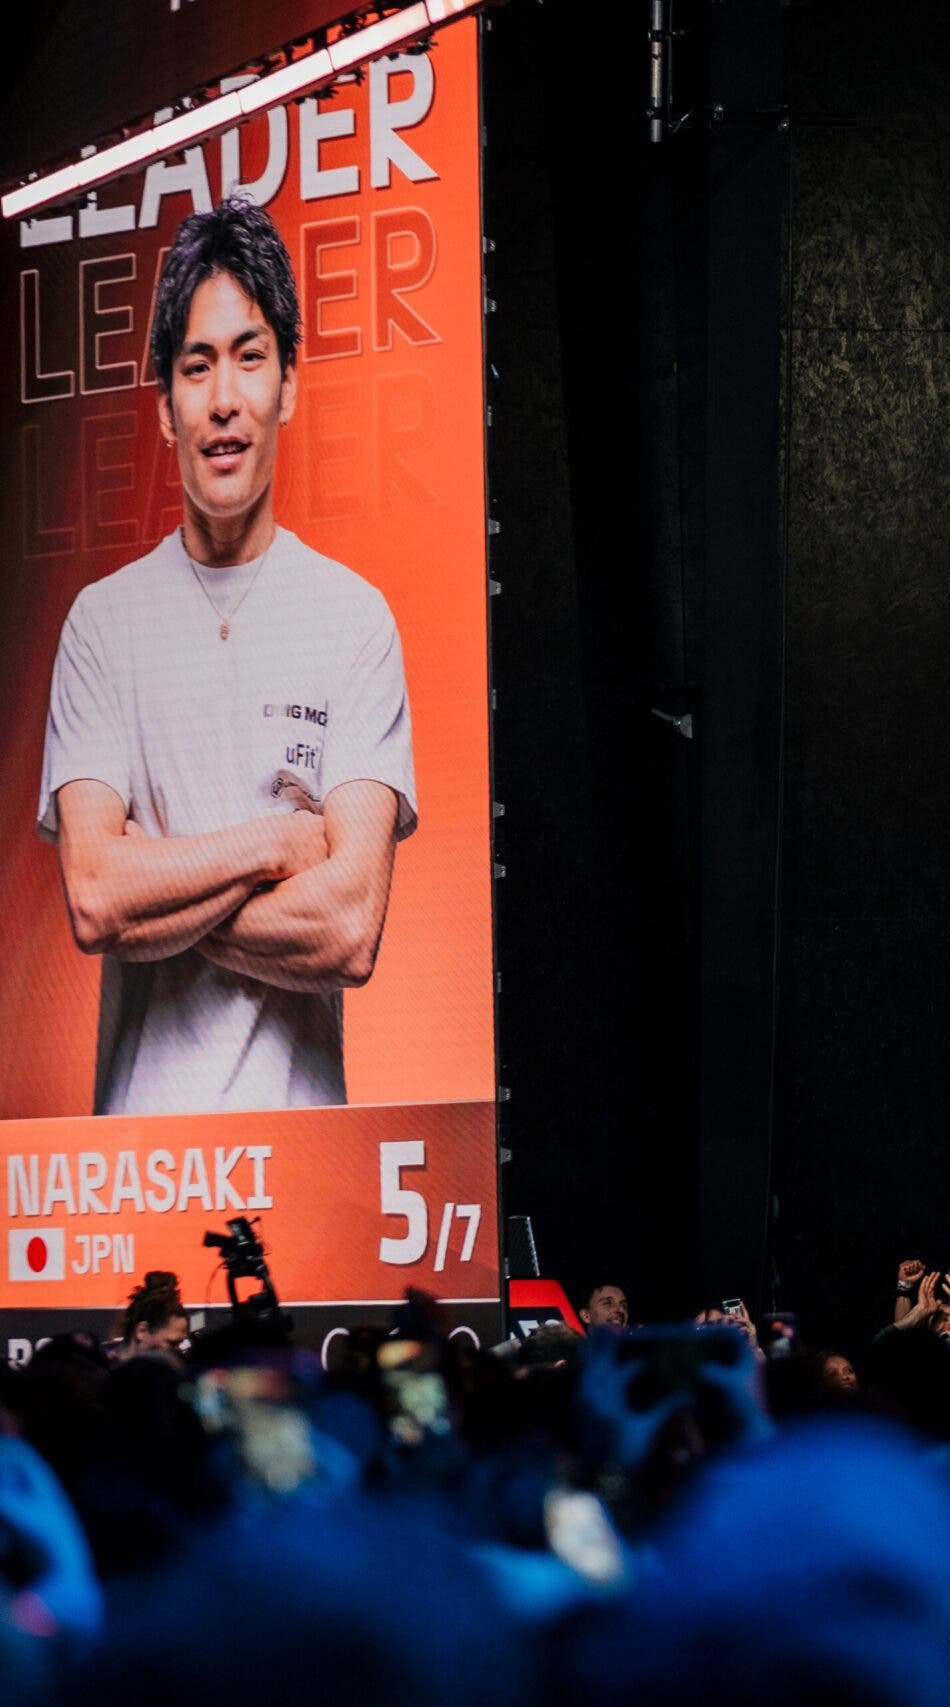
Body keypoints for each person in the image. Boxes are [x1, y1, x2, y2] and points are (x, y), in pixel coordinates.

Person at [38, 195, 417, 1116]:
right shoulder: (100, 625)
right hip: (141, 1181)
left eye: (250, 357)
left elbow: (348, 929)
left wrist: (156, 887)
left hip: (308, 1184)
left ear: (288, 384)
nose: (224, 400)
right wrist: (280, 844)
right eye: (196, 365)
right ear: (164, 404)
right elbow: (95, 898)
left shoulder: (355, 621)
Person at [115, 1272, 190, 1362]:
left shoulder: (177, 1372)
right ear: (142, 1331)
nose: (179, 1351)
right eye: (172, 1343)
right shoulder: (102, 1373)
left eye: (180, 1344)